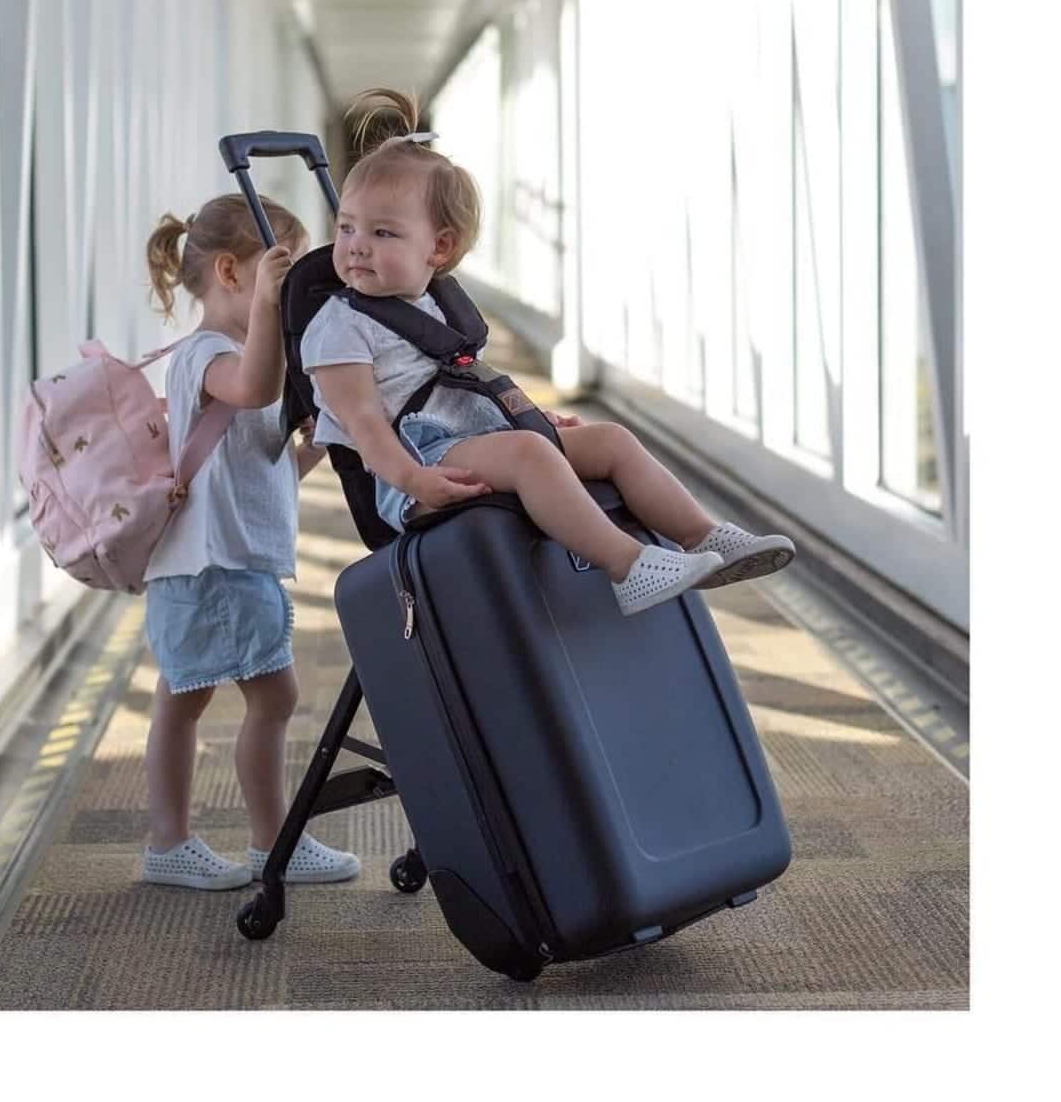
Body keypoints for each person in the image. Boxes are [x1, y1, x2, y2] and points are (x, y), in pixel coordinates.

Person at [300, 88, 796, 617]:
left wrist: (529, 416)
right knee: (532, 455)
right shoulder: (340, 329)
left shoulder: (431, 304)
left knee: (609, 440)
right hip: (418, 461)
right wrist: (413, 480)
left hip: (478, 433)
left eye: (382, 233)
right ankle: (626, 565)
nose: (356, 245)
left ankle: (701, 536)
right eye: (346, 227)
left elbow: (464, 380)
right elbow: (363, 425)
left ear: (438, 248)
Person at [139, 193, 360, 890]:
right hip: (219, 568)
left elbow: (267, 472)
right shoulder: (210, 354)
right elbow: (259, 386)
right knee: (275, 700)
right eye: (280, 280)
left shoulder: (222, 356)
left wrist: (321, 437)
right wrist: (272, 310)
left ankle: (169, 842)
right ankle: (274, 844)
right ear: (234, 274)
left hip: (211, 561)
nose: (288, 297)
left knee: (182, 700)